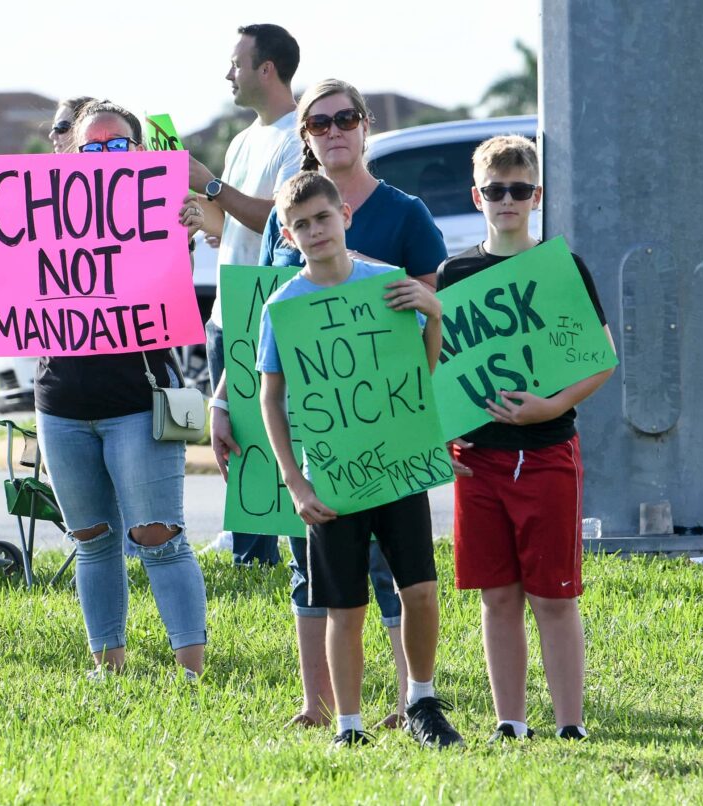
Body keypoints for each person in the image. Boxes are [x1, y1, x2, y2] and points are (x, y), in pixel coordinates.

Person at [211, 78, 447, 730]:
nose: (334, 129)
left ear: (365, 124)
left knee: (408, 581)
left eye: (346, 118)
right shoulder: (286, 249)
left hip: (393, 440)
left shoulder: (404, 215)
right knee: (320, 579)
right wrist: (223, 397)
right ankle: (327, 709)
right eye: (320, 122)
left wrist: (428, 310)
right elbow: (263, 331)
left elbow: (423, 340)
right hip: (323, 451)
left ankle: (414, 702)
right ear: (306, 135)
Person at [0, 101, 209, 677]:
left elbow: (182, 251)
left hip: (136, 404)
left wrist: (186, 222)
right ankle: (108, 665)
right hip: (62, 405)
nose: (103, 158)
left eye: (117, 146)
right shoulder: (41, 213)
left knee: (158, 537)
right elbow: (8, 279)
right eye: (91, 147)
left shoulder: (160, 211)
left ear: (138, 154)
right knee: (92, 539)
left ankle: (191, 674)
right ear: (70, 155)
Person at [258, 171, 460, 749]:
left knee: (420, 590)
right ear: (290, 236)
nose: (314, 231)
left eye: (322, 218)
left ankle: (421, 699)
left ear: (345, 215)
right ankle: (349, 725)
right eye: (300, 225)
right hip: (333, 479)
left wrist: (435, 313)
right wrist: (294, 482)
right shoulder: (284, 305)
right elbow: (271, 398)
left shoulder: (386, 285)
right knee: (344, 605)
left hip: (398, 465)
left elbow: (418, 375)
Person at [440, 135, 614, 743]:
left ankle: (571, 724)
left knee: (555, 596)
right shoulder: (453, 275)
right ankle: (509, 722)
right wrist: (441, 437)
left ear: (536, 195)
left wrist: (550, 406)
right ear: (477, 196)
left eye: (519, 190)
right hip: (477, 459)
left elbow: (602, 358)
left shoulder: (561, 267)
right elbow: (436, 369)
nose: (507, 200)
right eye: (495, 190)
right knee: (497, 594)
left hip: (546, 454)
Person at [189, 24, 304, 567]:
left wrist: (211, 185)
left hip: (267, 308)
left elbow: (280, 220)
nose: (226, 74)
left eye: (236, 63)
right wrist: (200, 213)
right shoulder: (242, 139)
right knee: (234, 436)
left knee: (268, 432)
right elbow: (230, 221)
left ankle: (268, 550)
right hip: (227, 307)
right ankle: (248, 547)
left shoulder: (297, 137)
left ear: (267, 69)